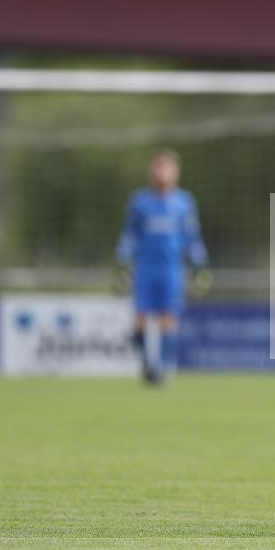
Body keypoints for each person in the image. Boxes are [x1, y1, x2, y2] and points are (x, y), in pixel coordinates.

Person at [116, 149, 210, 385]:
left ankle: (162, 370)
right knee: (141, 320)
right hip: (146, 269)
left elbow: (192, 236)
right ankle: (148, 362)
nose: (162, 173)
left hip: (172, 270)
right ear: (151, 172)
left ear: (176, 173)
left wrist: (199, 263)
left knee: (169, 318)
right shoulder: (140, 202)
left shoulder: (183, 203)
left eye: (167, 168)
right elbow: (130, 234)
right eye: (159, 168)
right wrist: (123, 260)